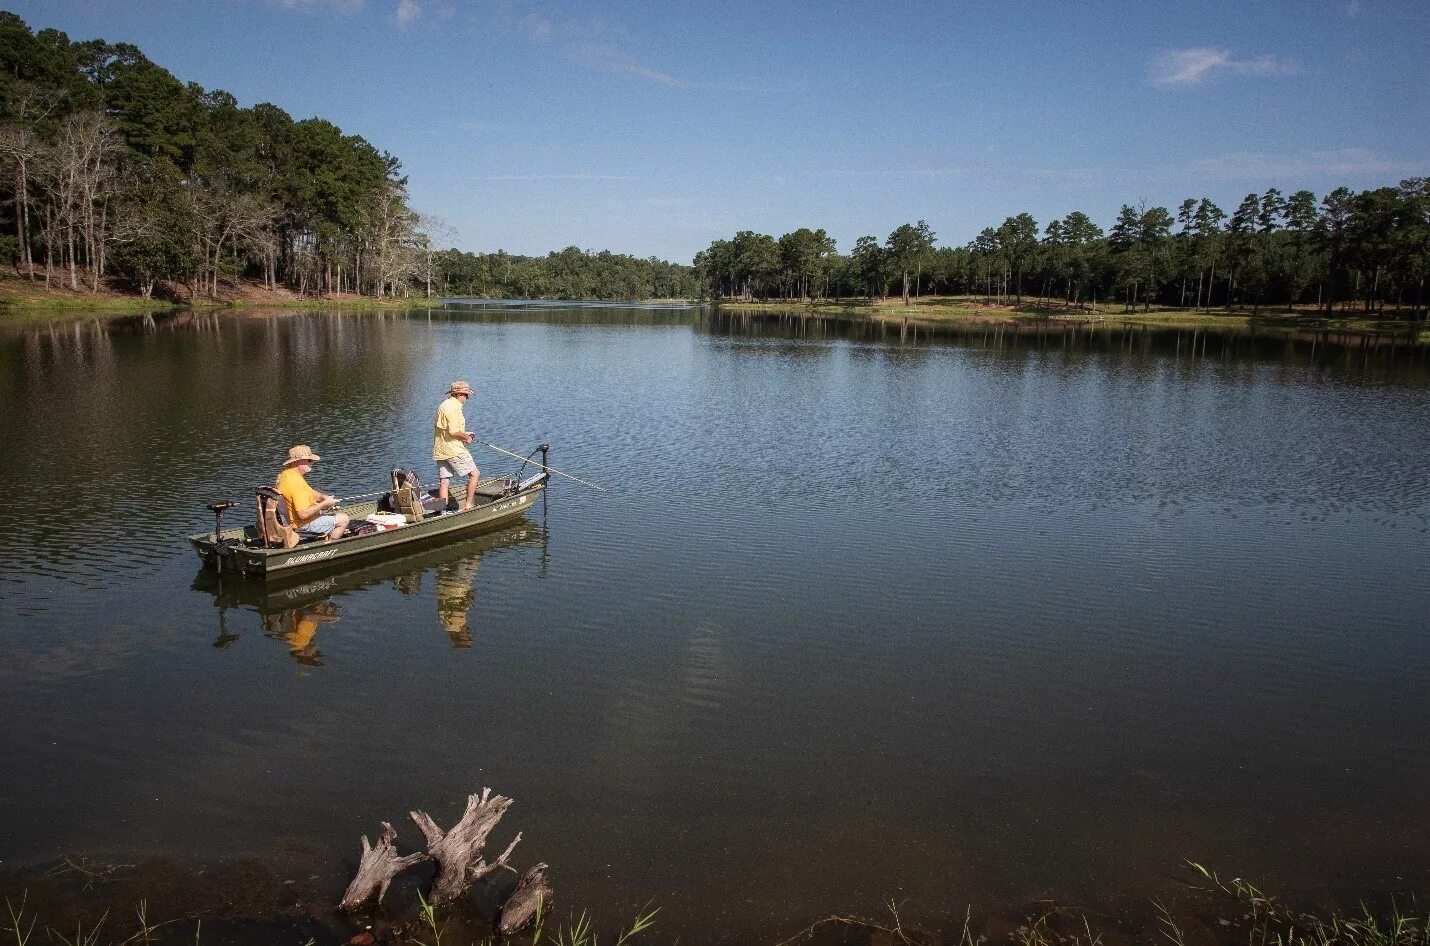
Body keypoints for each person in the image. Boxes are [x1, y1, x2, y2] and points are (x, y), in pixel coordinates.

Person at [275, 444, 349, 540]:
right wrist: (324, 504)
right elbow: (303, 514)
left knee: (325, 513)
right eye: (308, 460)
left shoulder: (286, 475)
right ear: (297, 462)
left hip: (291, 521)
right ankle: (330, 546)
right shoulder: (296, 484)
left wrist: (323, 497)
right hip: (301, 525)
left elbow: (309, 492)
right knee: (344, 519)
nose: (311, 463)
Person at [434, 380, 480, 511]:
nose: (467, 397)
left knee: (444, 481)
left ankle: (443, 511)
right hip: (454, 449)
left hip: (441, 449)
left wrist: (465, 433)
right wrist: (466, 438)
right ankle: (468, 505)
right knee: (475, 474)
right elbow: (454, 432)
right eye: (466, 395)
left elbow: (446, 430)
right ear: (458, 394)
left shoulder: (444, 405)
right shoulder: (455, 408)